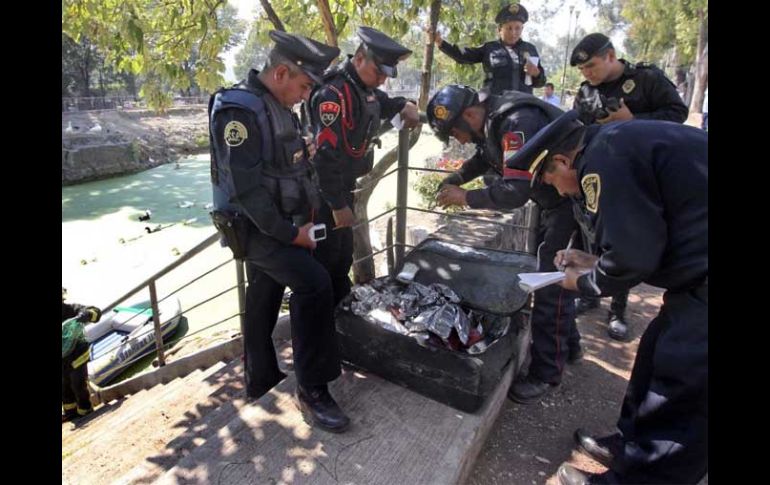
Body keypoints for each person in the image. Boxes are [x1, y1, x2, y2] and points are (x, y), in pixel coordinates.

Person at [508, 110, 707, 484]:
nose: (556, 189)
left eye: (550, 177)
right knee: (654, 352)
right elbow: (643, 241)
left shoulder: (604, 161)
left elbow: (632, 259)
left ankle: (643, 475)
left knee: (683, 386)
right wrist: (594, 261)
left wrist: (581, 283)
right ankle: (631, 448)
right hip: (695, 280)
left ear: (564, 160)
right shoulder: (609, 146)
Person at [208, 30, 350, 432]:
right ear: (282, 72)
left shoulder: (277, 105)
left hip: (282, 221)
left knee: (264, 293)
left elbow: (282, 167)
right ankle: (313, 389)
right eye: (305, 86)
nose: (307, 95)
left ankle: (260, 378)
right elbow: (247, 192)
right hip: (257, 229)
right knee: (314, 284)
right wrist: (293, 235)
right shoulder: (240, 112)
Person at [426, 84, 582, 404]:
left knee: (550, 282)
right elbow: (485, 157)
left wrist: (465, 197)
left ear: (469, 114)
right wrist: (457, 178)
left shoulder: (516, 122)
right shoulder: (494, 120)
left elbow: (513, 192)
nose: (459, 139)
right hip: (553, 202)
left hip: (569, 202)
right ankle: (569, 345)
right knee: (550, 275)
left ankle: (545, 372)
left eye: (456, 131)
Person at [570, 32, 688, 341]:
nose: (587, 74)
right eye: (582, 70)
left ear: (611, 56)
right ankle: (590, 293)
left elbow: (677, 115)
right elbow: (577, 131)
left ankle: (618, 310)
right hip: (597, 177)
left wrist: (633, 119)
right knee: (591, 237)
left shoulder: (646, 79)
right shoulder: (585, 92)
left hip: (639, 182)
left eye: (592, 66)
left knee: (624, 244)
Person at [309, 26, 419, 306]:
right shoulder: (333, 94)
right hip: (324, 195)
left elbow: (384, 104)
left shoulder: (362, 88)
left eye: (386, 75)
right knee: (325, 263)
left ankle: (339, 325)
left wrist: (405, 104)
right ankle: (323, 329)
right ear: (359, 59)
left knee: (342, 259)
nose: (381, 80)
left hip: (344, 188)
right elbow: (324, 156)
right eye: (378, 72)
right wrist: (336, 204)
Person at [433, 3, 545, 95]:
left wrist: (537, 73)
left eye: (517, 28)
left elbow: (541, 82)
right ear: (499, 29)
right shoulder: (489, 48)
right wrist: (440, 42)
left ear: (522, 29)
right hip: (493, 104)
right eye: (509, 28)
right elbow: (463, 56)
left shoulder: (530, 49)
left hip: (523, 105)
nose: (513, 32)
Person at [62, 287, 101, 422]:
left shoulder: (71, 309)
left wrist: (87, 315)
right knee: (65, 389)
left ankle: (86, 412)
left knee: (78, 385)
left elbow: (96, 311)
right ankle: (70, 414)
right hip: (62, 361)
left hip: (77, 356)